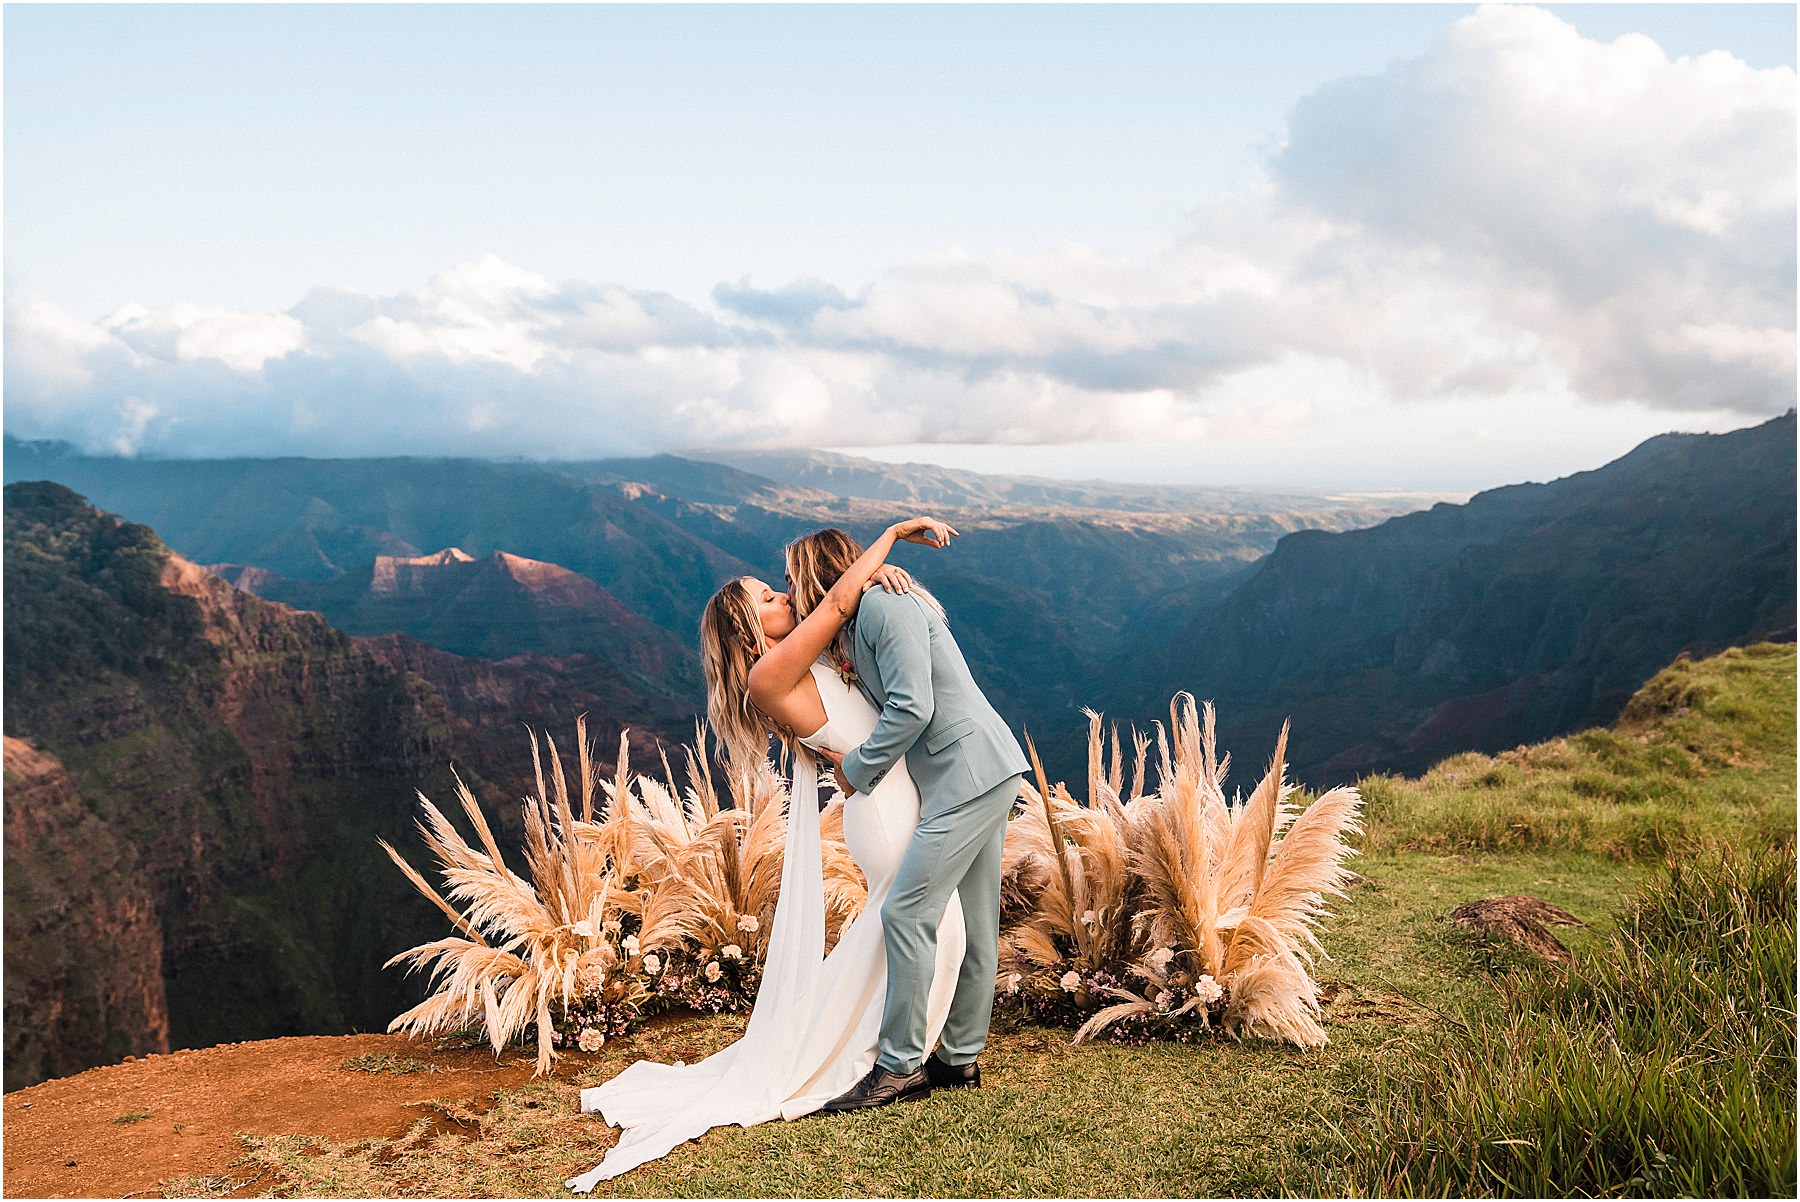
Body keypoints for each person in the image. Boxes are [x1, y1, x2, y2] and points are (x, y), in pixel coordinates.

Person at [564, 515, 965, 1191]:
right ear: (749, 630)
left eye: (779, 593)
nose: (784, 600)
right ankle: (895, 1059)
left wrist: (882, 585)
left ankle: (892, 1051)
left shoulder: (801, 658)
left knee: (900, 932)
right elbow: (836, 602)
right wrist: (890, 541)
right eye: (768, 599)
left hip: (896, 801)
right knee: (936, 927)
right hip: (886, 815)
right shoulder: (769, 671)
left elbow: (850, 624)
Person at [787, 528, 1029, 1113]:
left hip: (966, 770)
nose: (792, 595)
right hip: (976, 769)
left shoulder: (884, 605)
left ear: (816, 572)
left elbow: (913, 706)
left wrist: (857, 770)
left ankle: (898, 1068)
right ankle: (959, 1058)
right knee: (975, 920)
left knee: (906, 910)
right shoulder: (864, 611)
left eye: (793, 580)